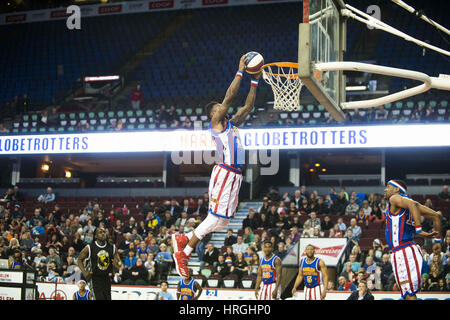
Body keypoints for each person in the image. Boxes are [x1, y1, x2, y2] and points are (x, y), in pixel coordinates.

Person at [171, 56, 261, 277]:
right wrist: (240, 72)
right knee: (214, 217)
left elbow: (248, 106)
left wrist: (255, 81)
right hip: (224, 171)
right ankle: (185, 252)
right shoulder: (215, 124)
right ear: (213, 114)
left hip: (235, 175)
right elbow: (229, 98)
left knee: (224, 221)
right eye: (218, 108)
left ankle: (184, 238)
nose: (222, 108)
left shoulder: (232, 124)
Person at [383, 179, 442, 300]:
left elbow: (413, 205)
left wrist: (419, 229)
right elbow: (436, 216)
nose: (385, 189)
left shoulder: (394, 198)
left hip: (402, 251)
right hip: (408, 249)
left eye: (388, 186)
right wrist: (437, 240)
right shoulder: (409, 204)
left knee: (408, 294)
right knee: (407, 293)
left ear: (396, 189)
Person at [77, 227, 122, 300]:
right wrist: (85, 273)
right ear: (95, 236)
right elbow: (79, 260)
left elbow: (118, 264)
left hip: (106, 277)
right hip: (94, 277)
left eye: (104, 232)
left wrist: (118, 264)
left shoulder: (112, 247)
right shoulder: (90, 247)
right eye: (100, 232)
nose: (103, 234)